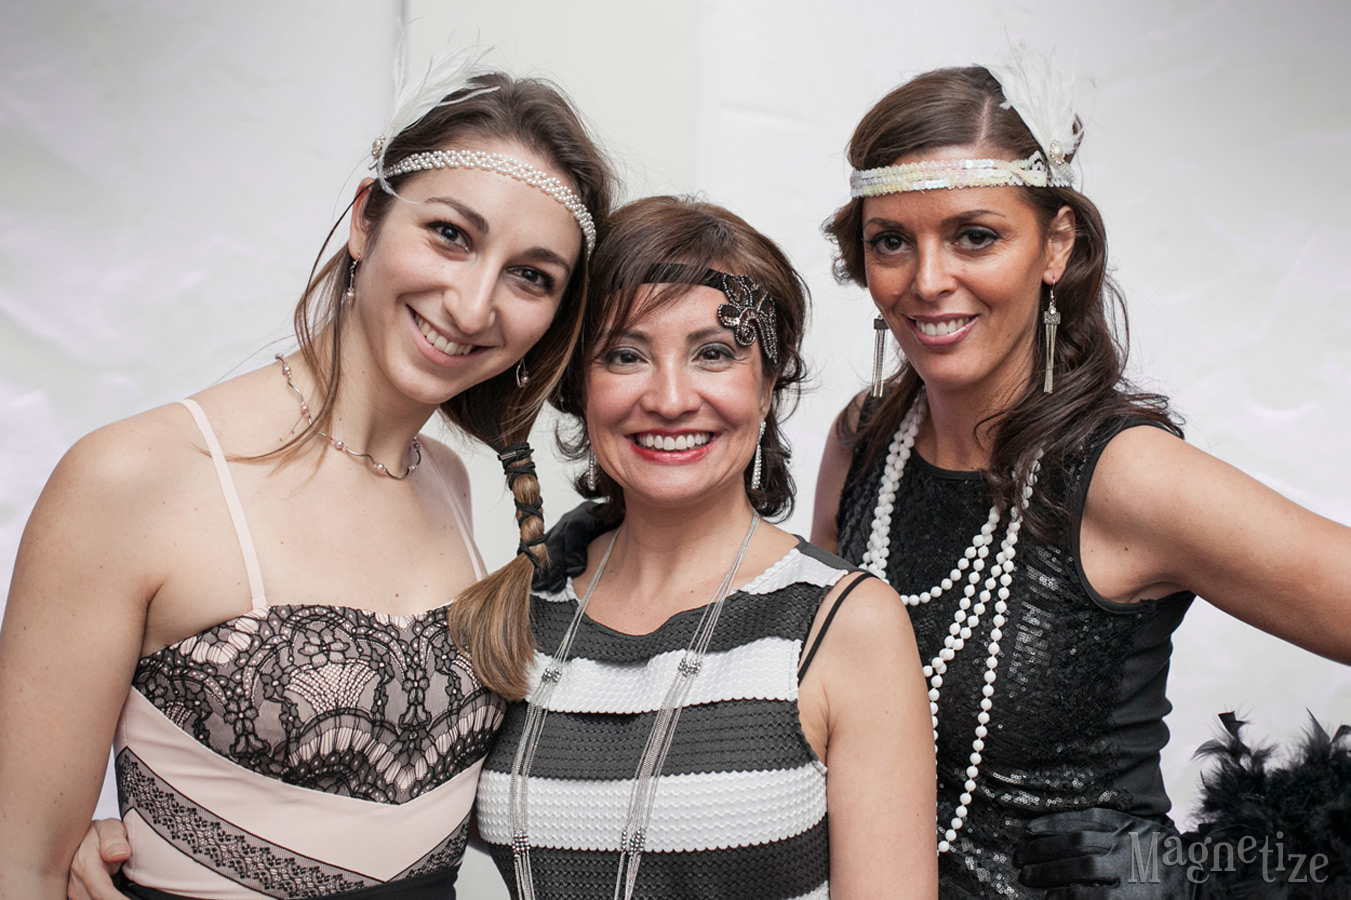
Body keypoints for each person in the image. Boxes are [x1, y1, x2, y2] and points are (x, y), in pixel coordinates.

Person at [0, 55, 614, 899]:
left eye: (530, 275)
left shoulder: (446, 483)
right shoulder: (135, 478)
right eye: (450, 234)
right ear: (366, 219)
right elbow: (21, 867)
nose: (474, 306)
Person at [811, 52, 1351, 898]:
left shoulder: (1123, 475)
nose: (927, 281)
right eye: (891, 242)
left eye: (974, 236)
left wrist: (1228, 870)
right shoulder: (864, 439)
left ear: (1054, 244)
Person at [473, 195, 939, 899]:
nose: (669, 399)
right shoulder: (525, 602)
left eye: (713, 354)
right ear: (578, 385)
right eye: (625, 355)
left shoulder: (846, 623)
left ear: (768, 384)